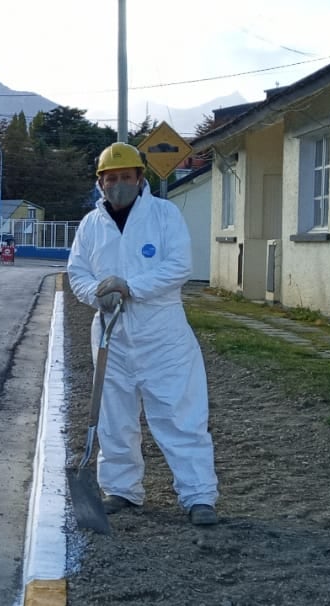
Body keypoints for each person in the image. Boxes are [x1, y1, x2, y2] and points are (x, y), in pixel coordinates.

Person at [66, 141, 220, 526]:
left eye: (125, 177)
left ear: (140, 178)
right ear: (100, 183)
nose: (117, 184)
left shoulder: (164, 215)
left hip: (161, 336)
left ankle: (198, 496)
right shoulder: (90, 225)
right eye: (110, 178)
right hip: (110, 338)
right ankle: (121, 489)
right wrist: (98, 294)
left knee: (178, 416)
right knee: (115, 419)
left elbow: (179, 267)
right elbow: (77, 273)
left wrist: (130, 287)